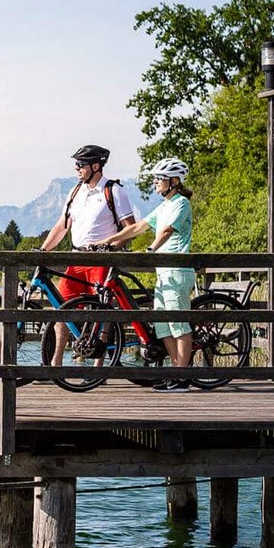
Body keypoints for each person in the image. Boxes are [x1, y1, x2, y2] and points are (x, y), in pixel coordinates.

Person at [102, 157, 195, 391]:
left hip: (177, 271)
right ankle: (175, 373)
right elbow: (137, 227)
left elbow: (166, 230)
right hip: (163, 273)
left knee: (178, 325)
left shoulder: (181, 203)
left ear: (173, 181)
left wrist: (152, 248)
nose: (155, 183)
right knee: (164, 326)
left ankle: (183, 377)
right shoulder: (163, 206)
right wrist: (107, 240)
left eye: (159, 179)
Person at [40, 144, 137, 304]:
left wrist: (111, 248)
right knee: (61, 313)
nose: (76, 168)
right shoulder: (75, 191)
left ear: (95, 166)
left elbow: (131, 228)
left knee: (102, 313)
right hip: (76, 259)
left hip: (101, 262)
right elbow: (62, 226)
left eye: (80, 164)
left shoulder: (113, 191)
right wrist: (43, 250)